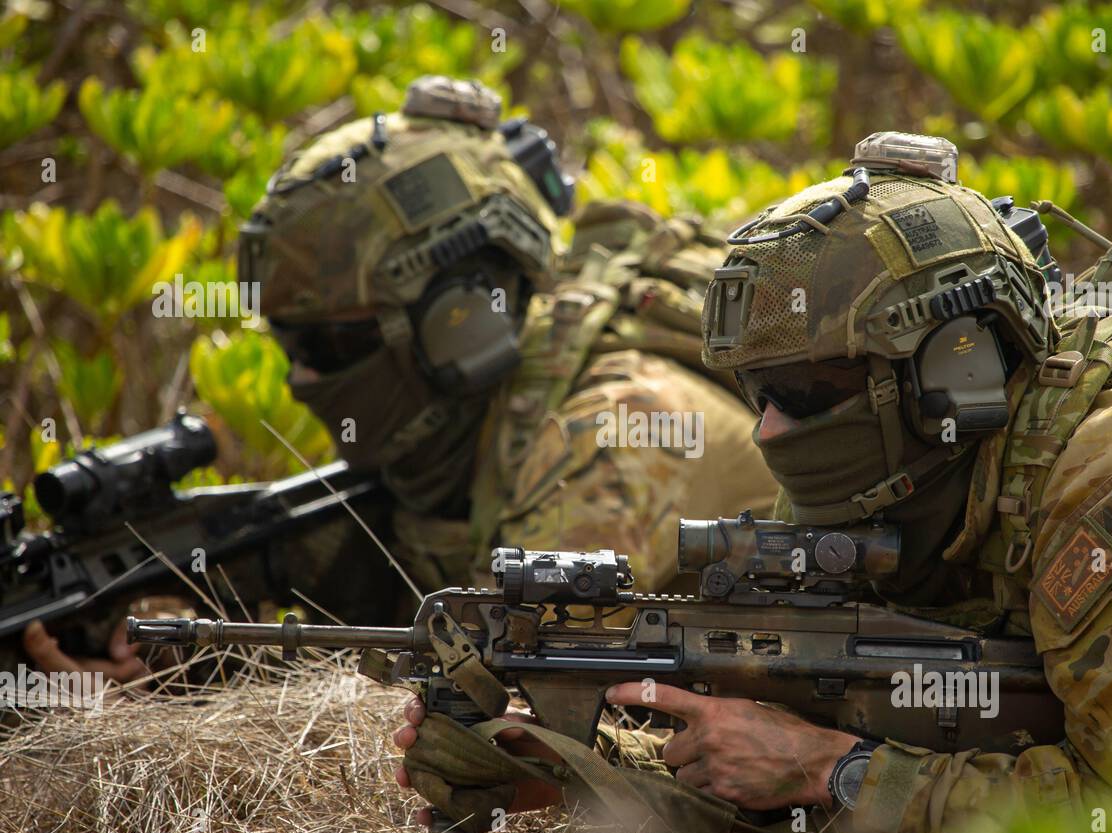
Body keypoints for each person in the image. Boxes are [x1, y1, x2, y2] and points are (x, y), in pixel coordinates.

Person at [395, 132, 1112, 833]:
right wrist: (567, 764)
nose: (769, 433)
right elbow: (783, 736)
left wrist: (837, 775)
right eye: (757, 394)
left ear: (953, 376)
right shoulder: (885, 475)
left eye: (805, 395)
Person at [21, 76, 775, 688]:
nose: (303, 377)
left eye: (331, 340)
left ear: (462, 320)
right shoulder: (476, 423)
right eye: (288, 343)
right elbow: (404, 589)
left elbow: (495, 696)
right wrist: (175, 630)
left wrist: (208, 673)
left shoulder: (615, 428)